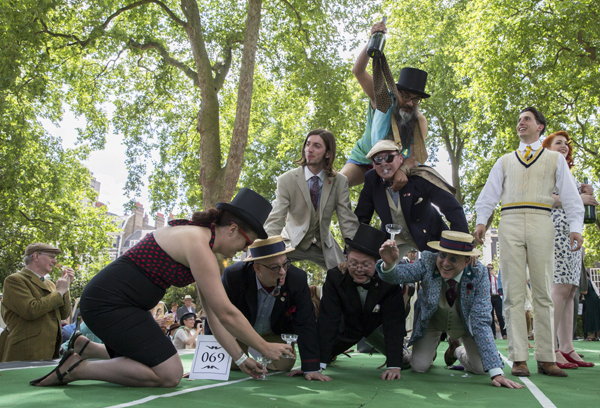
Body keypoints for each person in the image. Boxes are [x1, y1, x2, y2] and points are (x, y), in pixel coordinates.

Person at [31, 188, 292, 387]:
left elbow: (213, 315)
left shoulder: (201, 243)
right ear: (233, 229)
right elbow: (226, 312)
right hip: (108, 304)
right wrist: (263, 346)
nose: (244, 251)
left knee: (151, 361)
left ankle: (86, 347)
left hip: (126, 307)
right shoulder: (198, 244)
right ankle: (77, 368)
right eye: (247, 243)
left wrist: (240, 358)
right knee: (169, 374)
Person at [474, 107, 584, 377]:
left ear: (540, 127)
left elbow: (570, 196)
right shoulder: (504, 160)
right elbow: (489, 193)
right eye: (519, 120)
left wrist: (575, 227)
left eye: (527, 119)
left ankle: (547, 358)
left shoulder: (554, 160)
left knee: (544, 291)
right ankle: (518, 358)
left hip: (541, 220)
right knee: (513, 293)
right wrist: (481, 221)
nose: (521, 123)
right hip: (509, 219)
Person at [378, 231, 524, 389]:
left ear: (467, 261)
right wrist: (389, 264)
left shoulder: (479, 274)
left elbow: (481, 321)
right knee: (419, 367)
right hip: (432, 322)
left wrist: (496, 373)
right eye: (442, 255)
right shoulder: (428, 261)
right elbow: (397, 276)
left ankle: (456, 350)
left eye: (453, 258)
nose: (445, 263)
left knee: (482, 369)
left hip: (466, 325)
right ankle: (430, 351)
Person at [207, 235, 330, 381]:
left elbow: (306, 322)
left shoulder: (297, 279)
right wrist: (205, 362)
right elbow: (215, 315)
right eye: (274, 267)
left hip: (273, 333)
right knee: (229, 360)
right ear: (257, 267)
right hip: (241, 334)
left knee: (284, 362)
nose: (283, 272)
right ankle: (246, 355)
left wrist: (310, 368)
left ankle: (257, 356)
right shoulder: (234, 276)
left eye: (285, 264)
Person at [341, 20, 429, 190]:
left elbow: (415, 156)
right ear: (397, 92)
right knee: (338, 184)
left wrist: (403, 170)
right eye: (406, 96)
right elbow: (358, 71)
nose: (410, 103)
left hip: (391, 165)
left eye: (416, 99)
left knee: (404, 196)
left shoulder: (419, 121)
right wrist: (372, 39)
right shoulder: (382, 99)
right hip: (363, 158)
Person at [317, 223, 406, 380]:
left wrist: (394, 366)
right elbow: (328, 319)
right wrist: (320, 363)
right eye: (353, 263)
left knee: (406, 362)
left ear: (378, 262)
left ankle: (404, 356)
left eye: (365, 265)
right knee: (320, 355)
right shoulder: (335, 277)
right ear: (346, 259)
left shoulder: (389, 280)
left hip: (378, 330)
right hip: (346, 330)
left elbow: (394, 323)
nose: (359, 269)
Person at [355, 140, 469, 258]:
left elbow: (452, 209)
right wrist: (353, 251)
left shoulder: (419, 177)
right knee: (377, 271)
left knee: (445, 271)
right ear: (373, 165)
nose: (384, 163)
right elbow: (361, 217)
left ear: (400, 158)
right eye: (378, 159)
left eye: (389, 158)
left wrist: (462, 247)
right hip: (393, 241)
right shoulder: (371, 180)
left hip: (430, 237)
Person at [264, 129, 359, 270]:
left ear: (328, 153)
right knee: (267, 266)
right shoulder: (287, 180)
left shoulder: (340, 181)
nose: (309, 149)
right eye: (307, 144)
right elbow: (276, 218)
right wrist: (264, 248)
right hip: (291, 242)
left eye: (316, 146)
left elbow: (347, 220)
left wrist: (355, 252)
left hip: (324, 245)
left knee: (346, 274)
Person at [542, 130, 596, 368]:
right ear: (547, 146)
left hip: (573, 234)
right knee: (560, 288)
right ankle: (550, 348)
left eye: (566, 144)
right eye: (558, 142)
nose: (564, 146)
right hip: (556, 232)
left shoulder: (568, 174)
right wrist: (577, 199)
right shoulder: (546, 168)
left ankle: (567, 347)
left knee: (571, 290)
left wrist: (584, 196)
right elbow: (544, 198)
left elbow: (575, 206)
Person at [0, 243, 74, 362]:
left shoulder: (50, 285)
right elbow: (30, 310)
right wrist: (59, 291)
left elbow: (64, 314)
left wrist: (65, 289)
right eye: (51, 256)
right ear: (36, 256)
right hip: (25, 353)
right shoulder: (15, 280)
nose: (55, 261)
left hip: (49, 353)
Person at [488, 264, 506, 339]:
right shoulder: (486, 278)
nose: (490, 269)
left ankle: (504, 334)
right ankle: (493, 334)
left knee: (500, 315)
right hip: (489, 297)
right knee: (490, 316)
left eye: (491, 268)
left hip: (497, 297)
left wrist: (494, 275)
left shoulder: (496, 277)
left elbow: (501, 283)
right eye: (488, 268)